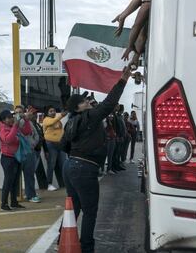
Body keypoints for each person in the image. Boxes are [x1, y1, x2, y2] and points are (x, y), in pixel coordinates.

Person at [60, 66, 133, 253]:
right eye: (85, 101)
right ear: (78, 107)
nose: (88, 101)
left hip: (70, 165)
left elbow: (63, 145)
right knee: (90, 211)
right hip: (84, 167)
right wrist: (122, 80)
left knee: (73, 206)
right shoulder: (89, 117)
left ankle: (63, 242)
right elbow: (109, 103)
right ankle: (86, 248)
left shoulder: (70, 122)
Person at [0, 109, 32, 211]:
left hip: (16, 157)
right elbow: (8, 140)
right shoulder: (3, 128)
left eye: (11, 117)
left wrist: (26, 121)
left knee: (15, 181)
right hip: (7, 158)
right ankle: (4, 204)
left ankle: (14, 202)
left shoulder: (13, 127)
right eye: (8, 118)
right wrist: (15, 126)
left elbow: (27, 132)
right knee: (8, 181)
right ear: (3, 120)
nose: (10, 119)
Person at [14, 105, 41, 203]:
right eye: (16, 112)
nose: (19, 114)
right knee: (16, 176)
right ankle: (14, 196)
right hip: (18, 152)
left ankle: (30, 195)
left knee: (29, 175)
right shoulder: (15, 123)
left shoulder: (29, 122)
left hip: (29, 152)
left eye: (20, 112)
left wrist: (33, 144)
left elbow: (36, 135)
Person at [43, 105, 67, 191]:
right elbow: (52, 122)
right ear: (47, 113)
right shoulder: (46, 120)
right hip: (51, 145)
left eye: (54, 111)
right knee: (51, 165)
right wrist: (61, 115)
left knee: (64, 164)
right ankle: (49, 184)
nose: (53, 112)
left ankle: (66, 183)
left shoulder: (57, 120)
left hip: (60, 145)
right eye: (50, 111)